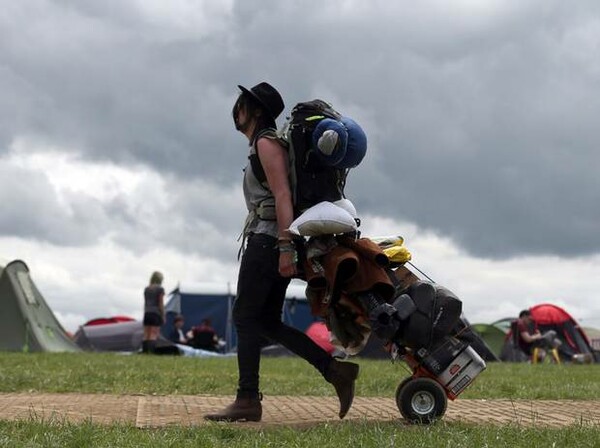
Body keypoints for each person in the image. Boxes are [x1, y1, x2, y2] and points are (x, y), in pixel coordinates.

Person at [204, 82, 359, 423]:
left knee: (245, 317)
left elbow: (283, 195)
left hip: (268, 240)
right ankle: (335, 371)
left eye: (242, 104)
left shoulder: (266, 143)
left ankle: (247, 399)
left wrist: (286, 246)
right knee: (265, 321)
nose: (237, 109)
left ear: (255, 111)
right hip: (269, 238)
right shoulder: (263, 143)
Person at [142, 271, 165, 354]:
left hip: (147, 312)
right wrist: (163, 315)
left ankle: (145, 351)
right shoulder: (160, 289)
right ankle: (151, 351)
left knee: (146, 333)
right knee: (153, 333)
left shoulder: (147, 289)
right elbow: (160, 303)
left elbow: (145, 302)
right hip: (155, 313)